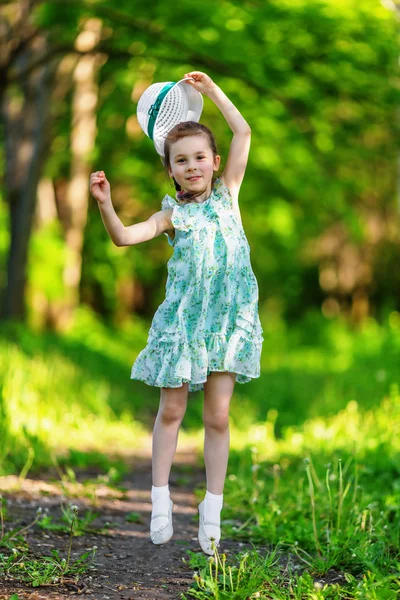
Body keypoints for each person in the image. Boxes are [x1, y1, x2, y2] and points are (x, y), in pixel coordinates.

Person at [89, 71, 263, 555]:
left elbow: (244, 131)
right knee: (171, 410)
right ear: (171, 170)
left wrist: (211, 93)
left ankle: (212, 510)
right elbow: (124, 237)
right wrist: (105, 204)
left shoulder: (230, 194)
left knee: (219, 418)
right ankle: (160, 500)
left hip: (229, 324)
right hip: (183, 326)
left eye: (199, 158)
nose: (191, 167)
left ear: (215, 162)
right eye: (180, 161)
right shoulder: (172, 215)